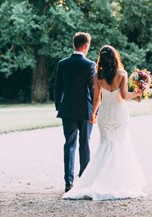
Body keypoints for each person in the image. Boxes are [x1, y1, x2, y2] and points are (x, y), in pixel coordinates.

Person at [63, 45, 147, 201]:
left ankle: (97, 180)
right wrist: (137, 93)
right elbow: (123, 96)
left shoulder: (98, 76)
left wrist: (93, 114)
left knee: (105, 144)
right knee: (120, 143)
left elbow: (96, 99)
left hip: (104, 113)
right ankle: (117, 181)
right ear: (115, 57)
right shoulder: (122, 74)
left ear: (101, 59)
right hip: (119, 113)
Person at [54, 32, 97, 193]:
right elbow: (93, 91)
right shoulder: (89, 65)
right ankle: (84, 180)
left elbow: (58, 88)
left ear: (74, 44)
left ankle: (68, 181)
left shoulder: (62, 64)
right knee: (85, 144)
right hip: (85, 110)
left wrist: (60, 106)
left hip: (68, 110)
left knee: (69, 145)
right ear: (86, 46)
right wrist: (95, 111)